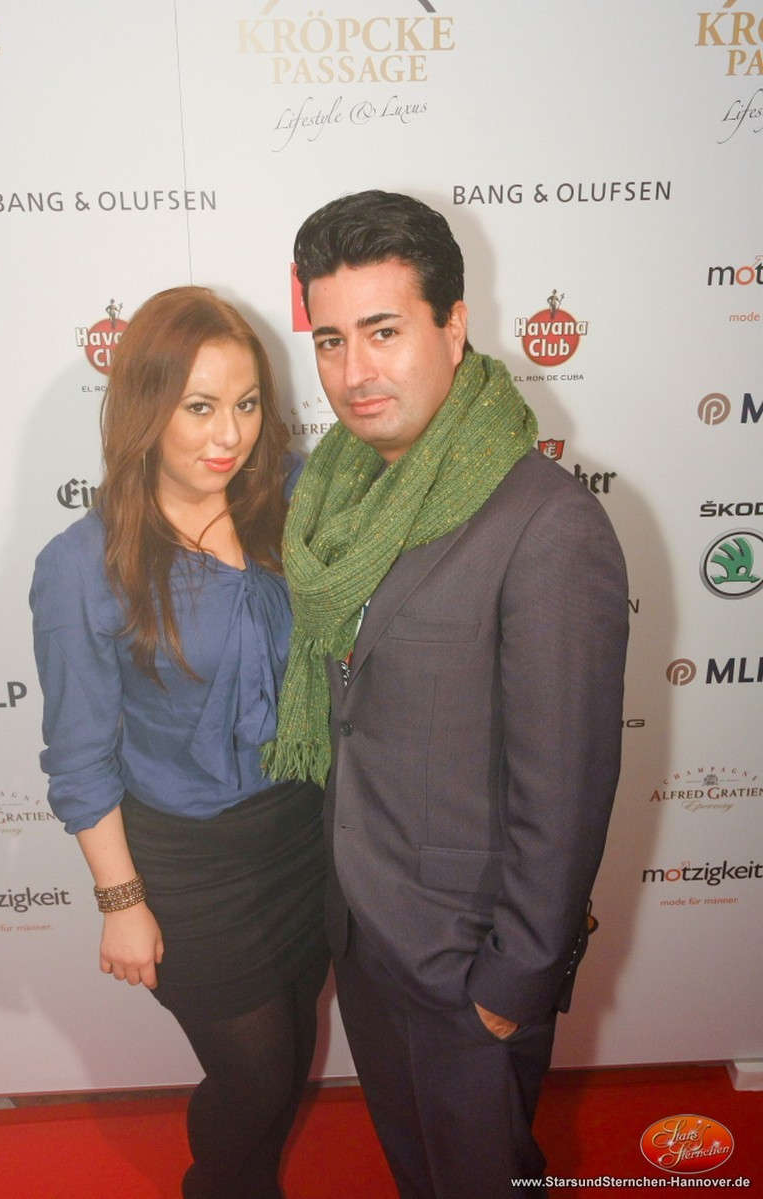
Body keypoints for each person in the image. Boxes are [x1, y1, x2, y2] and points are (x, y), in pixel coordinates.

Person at [263, 192, 629, 1198]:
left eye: (383, 331)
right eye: (330, 340)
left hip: (467, 970)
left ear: (454, 324)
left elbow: (564, 790)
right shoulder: (337, 496)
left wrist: (510, 987)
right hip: (364, 937)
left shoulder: (546, 526)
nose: (353, 372)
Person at [30, 286, 328, 1199]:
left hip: (305, 833)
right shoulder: (84, 565)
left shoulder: (294, 495)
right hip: (189, 864)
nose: (229, 434)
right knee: (256, 1073)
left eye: (246, 403)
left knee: (293, 1051)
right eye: (200, 406)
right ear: (146, 408)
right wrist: (122, 899)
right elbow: (80, 757)